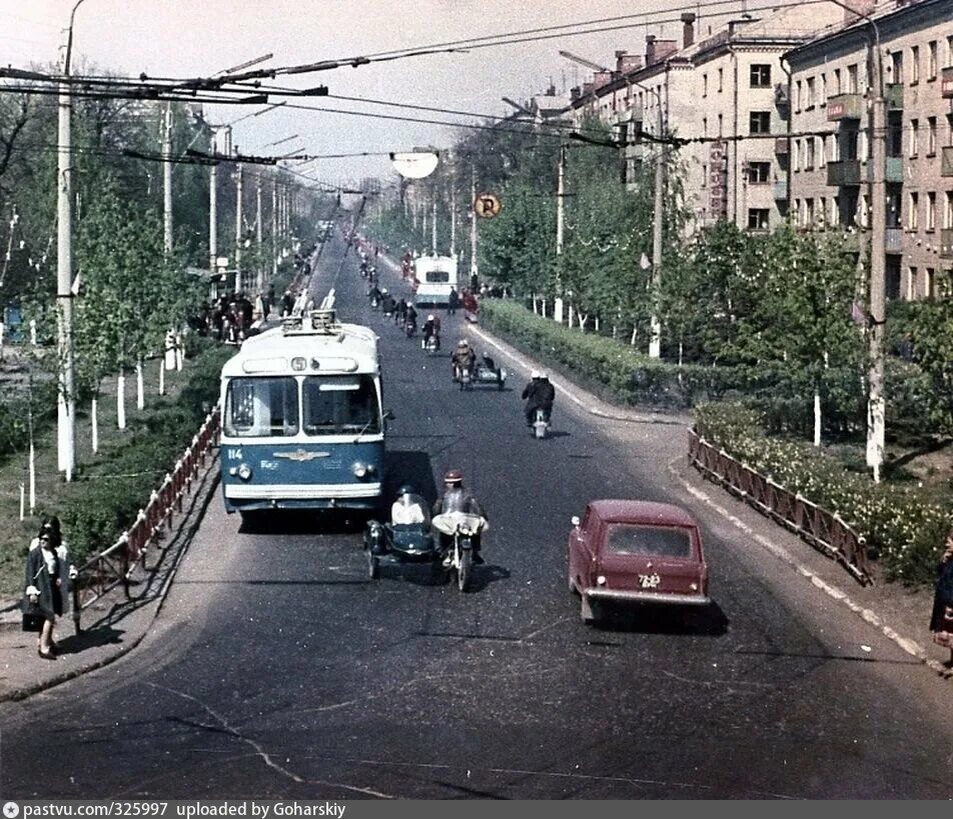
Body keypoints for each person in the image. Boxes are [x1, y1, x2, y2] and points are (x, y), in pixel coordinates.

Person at [23, 518, 76, 660]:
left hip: (53, 585)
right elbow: (30, 571)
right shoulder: (36, 550)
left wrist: (62, 575)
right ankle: (43, 647)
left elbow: (62, 563)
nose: (44, 538)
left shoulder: (57, 548)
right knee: (48, 615)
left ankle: (47, 641)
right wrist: (32, 589)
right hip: (41, 585)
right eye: (43, 534)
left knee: (52, 613)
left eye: (49, 531)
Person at [432, 470, 487, 565]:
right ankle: (475, 551)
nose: (447, 485)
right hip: (464, 519)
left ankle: (443, 551)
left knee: (443, 530)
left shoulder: (444, 495)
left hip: (450, 519)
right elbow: (478, 508)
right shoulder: (468, 494)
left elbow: (436, 508)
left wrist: (435, 515)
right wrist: (483, 517)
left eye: (449, 483)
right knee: (475, 528)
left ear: (453, 483)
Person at [930, 532, 953, 667]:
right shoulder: (949, 559)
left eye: (949, 541)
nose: (947, 544)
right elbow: (940, 574)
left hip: (951, 600)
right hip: (945, 599)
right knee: (950, 634)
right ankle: (952, 661)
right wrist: (943, 562)